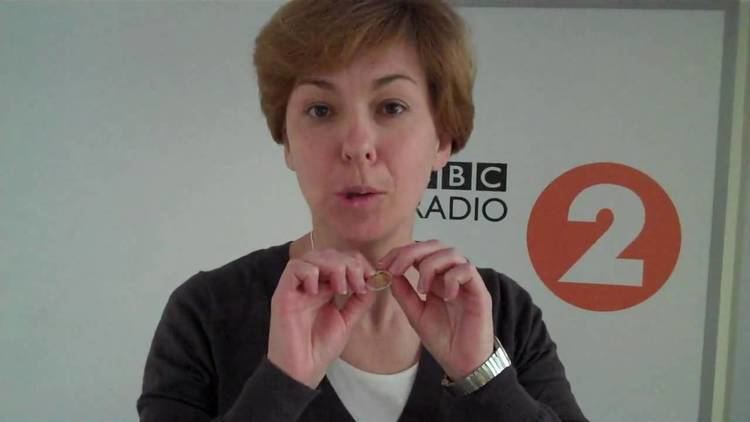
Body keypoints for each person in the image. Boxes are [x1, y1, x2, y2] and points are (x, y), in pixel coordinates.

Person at [137, 1, 588, 421]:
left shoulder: (503, 313)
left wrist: (482, 376)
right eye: (320, 110)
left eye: (391, 107)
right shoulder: (206, 313)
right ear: (287, 142)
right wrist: (280, 384)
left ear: (443, 139)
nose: (356, 146)